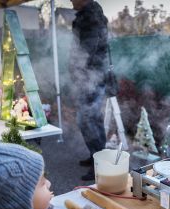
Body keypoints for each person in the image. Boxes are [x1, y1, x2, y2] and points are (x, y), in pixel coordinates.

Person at [69, 0, 109, 180]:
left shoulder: (90, 17)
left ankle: (99, 163)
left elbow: (87, 50)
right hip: (92, 76)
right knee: (93, 119)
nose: (70, 0)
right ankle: (96, 156)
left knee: (87, 119)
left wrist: (78, 72)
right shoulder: (89, 15)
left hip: (91, 77)